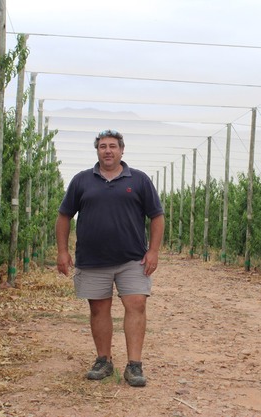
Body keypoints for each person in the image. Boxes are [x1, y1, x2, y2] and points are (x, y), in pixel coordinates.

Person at [56, 129, 164, 387]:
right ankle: (103, 361)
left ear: (122, 150)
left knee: (136, 304)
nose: (107, 151)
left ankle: (134, 365)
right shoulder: (82, 181)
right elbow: (64, 216)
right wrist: (62, 251)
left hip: (132, 259)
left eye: (112, 146)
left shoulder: (139, 180)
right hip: (92, 259)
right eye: (103, 146)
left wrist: (153, 251)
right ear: (97, 151)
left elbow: (157, 216)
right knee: (98, 309)